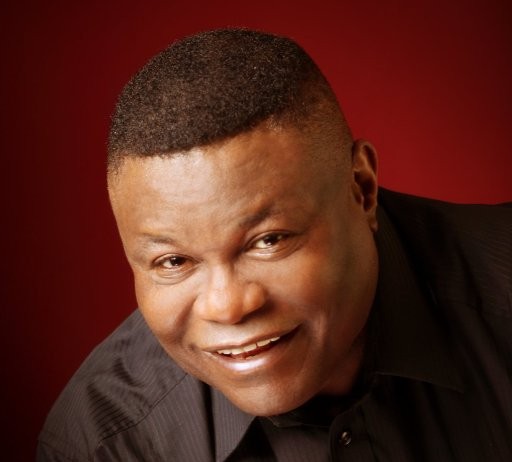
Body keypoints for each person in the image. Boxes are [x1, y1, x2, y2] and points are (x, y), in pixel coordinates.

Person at [38, 28, 512, 461]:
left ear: (362, 188)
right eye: (174, 261)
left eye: (268, 240)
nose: (228, 307)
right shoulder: (104, 444)